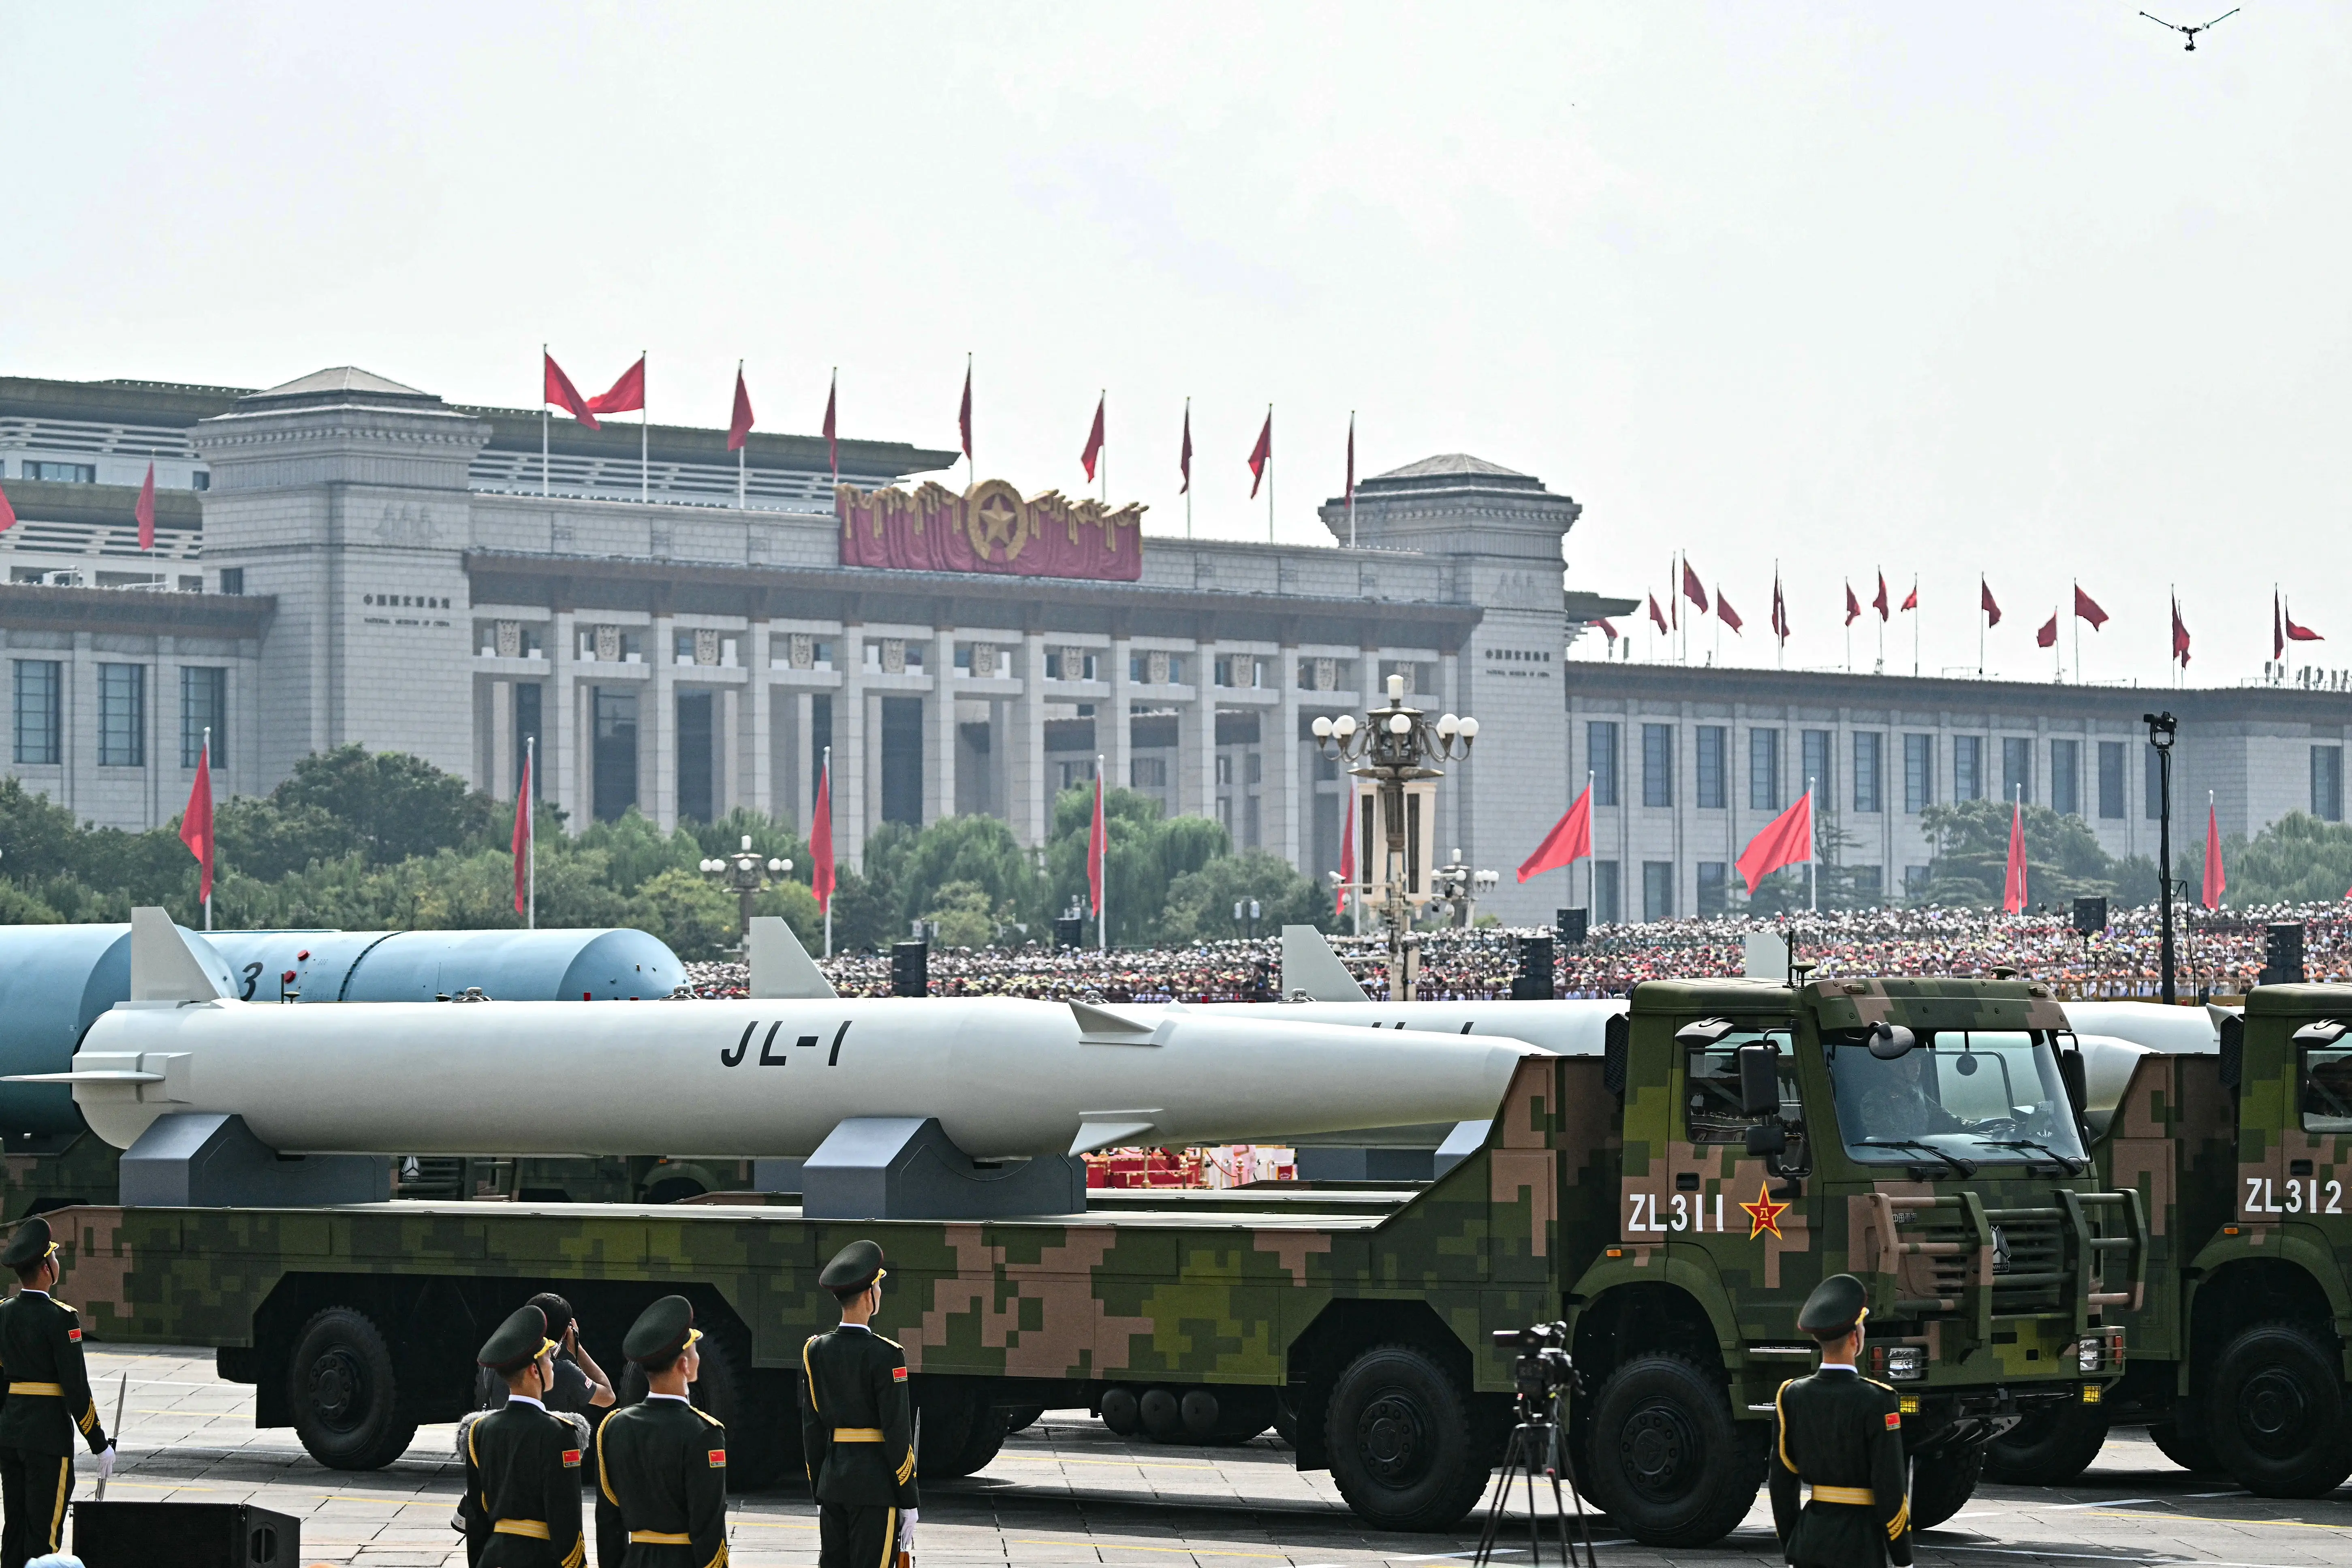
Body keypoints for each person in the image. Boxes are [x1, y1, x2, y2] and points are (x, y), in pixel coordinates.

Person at [1769, 1273, 1911, 1568]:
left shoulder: (1791, 1395)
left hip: (1808, 1543)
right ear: (1853, 1338)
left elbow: (1781, 1486)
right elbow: (1890, 1487)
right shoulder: (1878, 1400)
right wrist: (1902, 1559)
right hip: (1860, 1547)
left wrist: (1793, 1544)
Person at [799, 1241, 919, 1568]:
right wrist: (908, 1499)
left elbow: (812, 1429)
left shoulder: (815, 1350)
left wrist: (819, 1491)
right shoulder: (887, 1354)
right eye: (878, 1287)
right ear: (869, 1295)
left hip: (833, 1484)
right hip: (876, 1489)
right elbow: (897, 1430)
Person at [0, 1217, 110, 1568]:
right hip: (47, 1439)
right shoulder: (62, 1318)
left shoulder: (3, 1313)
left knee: (14, 1529)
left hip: (10, 1435)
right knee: (43, 1536)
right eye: (53, 1257)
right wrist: (99, 1442)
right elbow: (76, 1387)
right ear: (47, 1269)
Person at [591, 1296, 728, 1567]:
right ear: (684, 1366)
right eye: (694, 1351)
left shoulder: (613, 1427)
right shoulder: (703, 1433)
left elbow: (608, 1523)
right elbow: (708, 1528)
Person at [457, 1305, 586, 1568]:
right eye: (548, 1359)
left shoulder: (480, 1431)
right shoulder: (560, 1433)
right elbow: (565, 1517)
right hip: (539, 1558)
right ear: (534, 1371)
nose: (553, 1364)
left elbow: (476, 1516)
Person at [476, 1293, 615, 1417]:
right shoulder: (565, 1372)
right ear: (564, 1334)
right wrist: (577, 1348)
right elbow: (608, 1397)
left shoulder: (496, 1363)